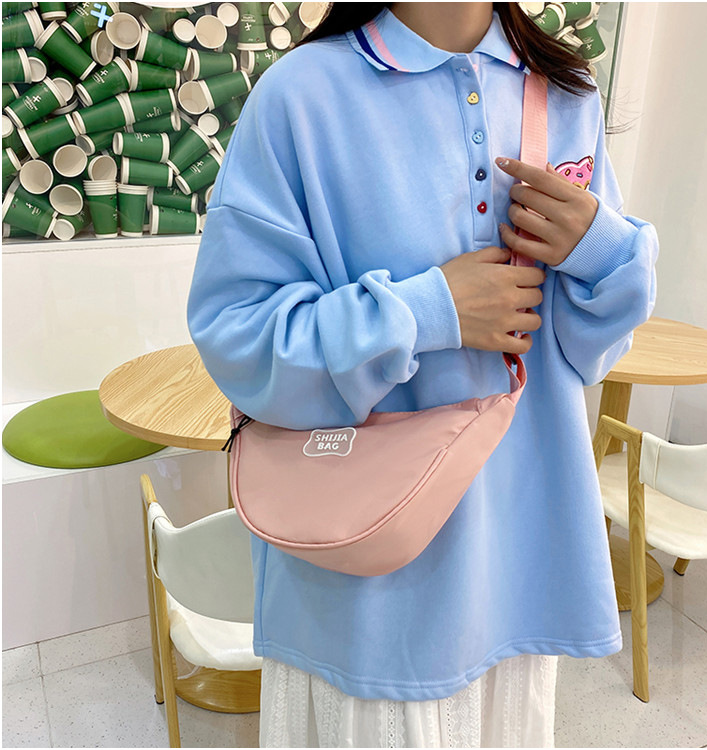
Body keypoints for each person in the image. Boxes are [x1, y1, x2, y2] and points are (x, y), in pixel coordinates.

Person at [187, 3, 658, 747]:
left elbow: (587, 353)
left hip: (517, 565)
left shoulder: (566, 93)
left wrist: (601, 250)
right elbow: (239, 341)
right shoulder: (300, 96)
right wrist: (427, 311)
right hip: (366, 592)